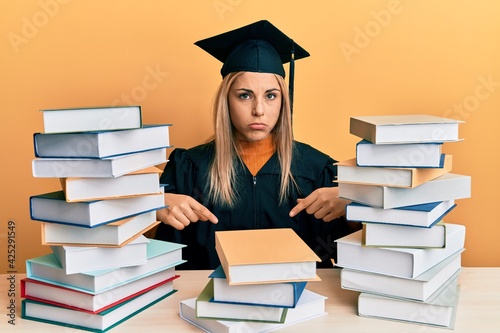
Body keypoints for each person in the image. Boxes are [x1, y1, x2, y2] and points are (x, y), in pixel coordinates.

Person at [155, 20, 359, 269]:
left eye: (271, 96)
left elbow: (355, 253)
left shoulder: (317, 169)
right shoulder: (189, 167)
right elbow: (158, 255)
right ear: (226, 101)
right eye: (244, 95)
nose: (259, 110)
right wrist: (155, 204)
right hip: (207, 301)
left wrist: (352, 205)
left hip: (299, 302)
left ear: (284, 101)